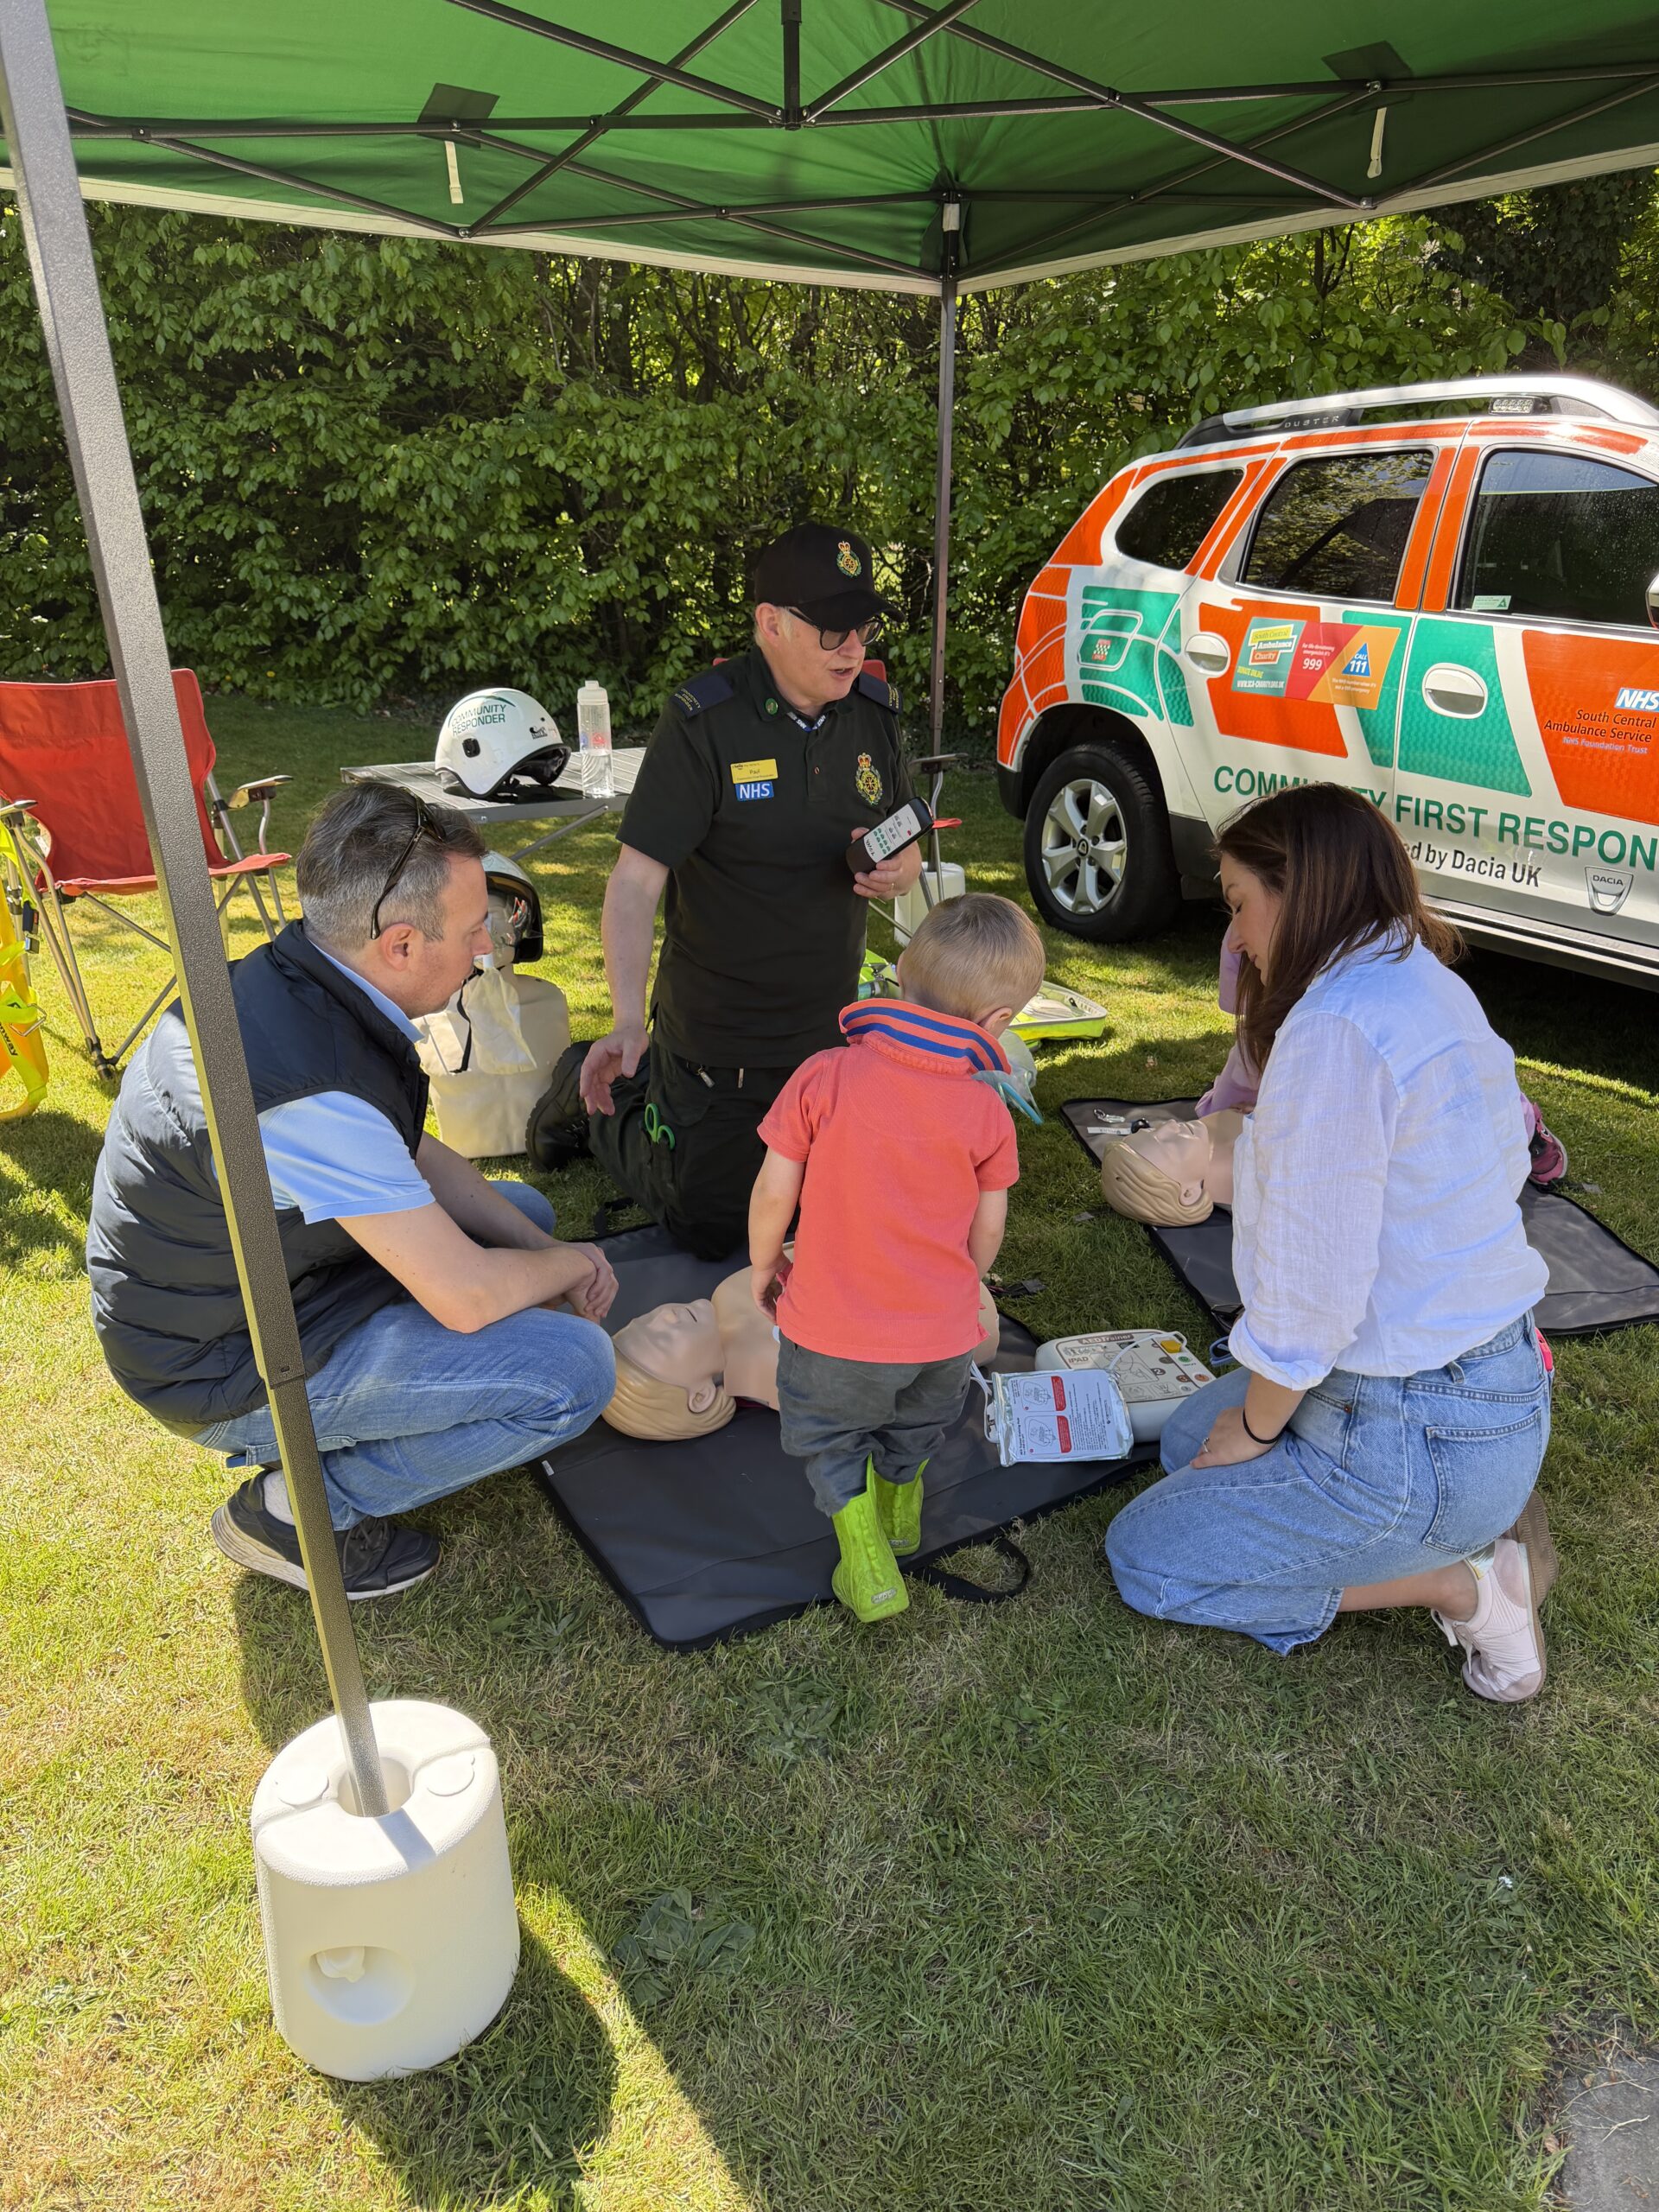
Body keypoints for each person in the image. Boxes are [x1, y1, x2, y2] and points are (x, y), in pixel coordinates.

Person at [86, 782, 618, 1600]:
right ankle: (295, 1509)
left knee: (524, 1220)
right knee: (575, 1372)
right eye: (476, 926)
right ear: (401, 944)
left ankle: (337, 1442)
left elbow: (407, 1148)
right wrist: (575, 1262)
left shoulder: (307, 981)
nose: (487, 945)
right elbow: (468, 1300)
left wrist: (544, 1249)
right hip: (218, 1366)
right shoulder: (308, 1088)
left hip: (260, 1292)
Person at [1104, 783, 1557, 1701]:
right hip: (1474, 1396)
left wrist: (1260, 1423)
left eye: (1238, 904)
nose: (1234, 937)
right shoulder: (1417, 975)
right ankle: (1466, 1520)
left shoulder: (1335, 1028)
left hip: (1415, 1431)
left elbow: (1312, 1303)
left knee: (1148, 1557)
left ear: (1298, 888)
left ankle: (1462, 1586)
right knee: (1188, 1437)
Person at [573, 522, 925, 1260]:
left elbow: (905, 832)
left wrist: (902, 867)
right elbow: (637, 880)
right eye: (833, 629)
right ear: (770, 624)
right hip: (721, 1039)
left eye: (862, 627)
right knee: (711, 1227)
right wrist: (628, 1019)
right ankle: (597, 1104)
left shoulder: (874, 714)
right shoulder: (705, 722)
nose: (853, 647)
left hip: (829, 1034)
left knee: (833, 1221)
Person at [749, 893, 1046, 1623]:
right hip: (942, 1338)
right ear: (997, 1024)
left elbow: (772, 1189)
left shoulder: (824, 1074)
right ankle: (903, 1508)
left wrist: (763, 1267)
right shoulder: (987, 1108)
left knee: (829, 1435)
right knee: (915, 1426)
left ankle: (866, 1557)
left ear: (903, 975)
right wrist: (965, 1288)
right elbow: (988, 1225)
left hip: (832, 1334)